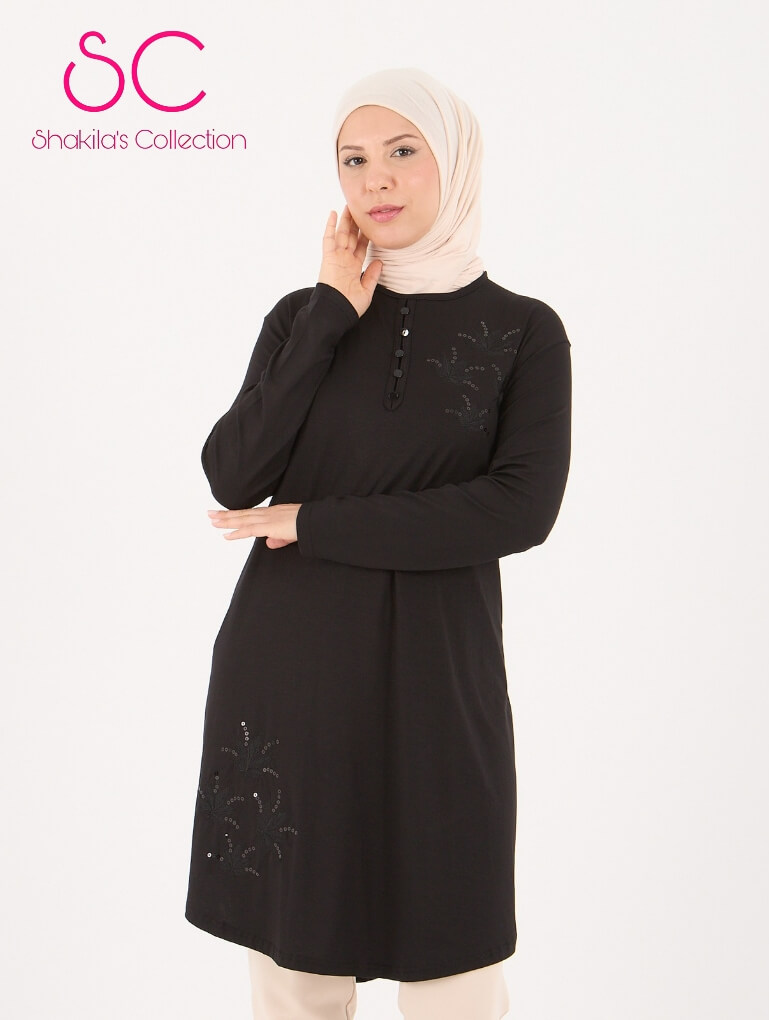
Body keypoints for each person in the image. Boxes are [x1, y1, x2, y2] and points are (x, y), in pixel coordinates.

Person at [184, 67, 572, 1019]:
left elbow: (518, 509)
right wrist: (329, 315)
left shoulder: (524, 332)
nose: (376, 181)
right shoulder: (301, 319)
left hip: (439, 679)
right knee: (297, 970)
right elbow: (233, 473)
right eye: (352, 160)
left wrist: (314, 520)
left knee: (456, 972)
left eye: (403, 152)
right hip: (292, 675)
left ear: (456, 162)